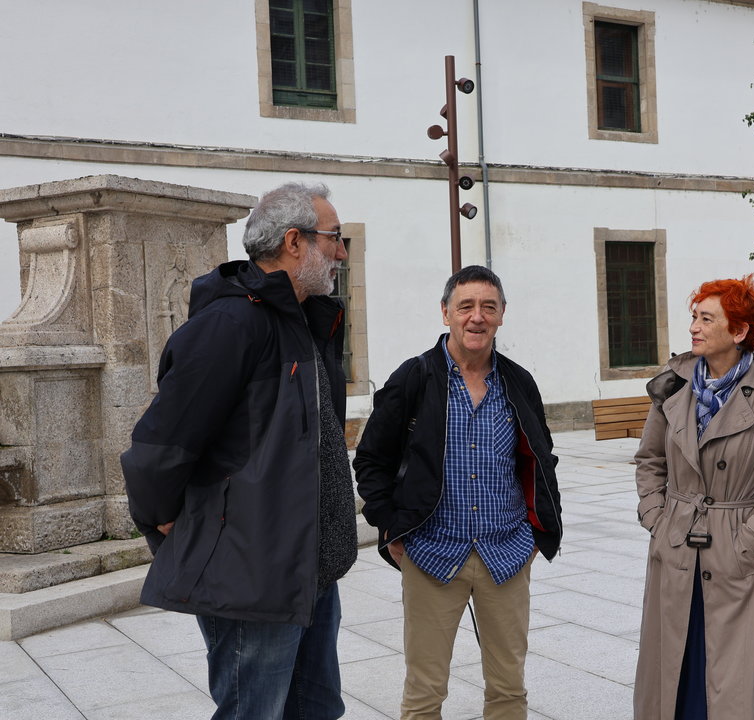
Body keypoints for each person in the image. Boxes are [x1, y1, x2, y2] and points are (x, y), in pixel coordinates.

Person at [121, 182, 356, 720]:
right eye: (335, 238)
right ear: (295, 242)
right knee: (255, 710)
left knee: (316, 709)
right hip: (254, 573)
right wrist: (159, 518)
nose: (342, 252)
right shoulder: (231, 324)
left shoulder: (306, 320)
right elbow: (161, 443)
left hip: (311, 569)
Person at [353, 265, 562, 720]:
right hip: (429, 555)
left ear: (502, 314)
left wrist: (533, 536)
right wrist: (393, 529)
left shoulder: (518, 383)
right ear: (445, 312)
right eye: (465, 306)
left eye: (488, 306)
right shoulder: (414, 378)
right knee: (424, 692)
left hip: (505, 556)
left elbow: (542, 461)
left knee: (508, 689)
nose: (477, 317)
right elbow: (370, 461)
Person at [634, 275, 754, 720]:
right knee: (669, 678)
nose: (693, 326)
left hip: (735, 554)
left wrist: (747, 541)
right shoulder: (671, 386)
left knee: (731, 687)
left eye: (706, 318)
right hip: (674, 550)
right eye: (694, 316)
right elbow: (650, 461)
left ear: (738, 331)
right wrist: (657, 517)